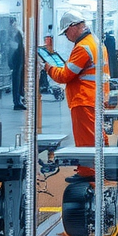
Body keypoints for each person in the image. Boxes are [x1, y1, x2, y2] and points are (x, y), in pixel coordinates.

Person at [43, 10, 110, 180]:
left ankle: (88, 174)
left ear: (74, 27)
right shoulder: (96, 42)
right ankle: (103, 168)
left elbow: (65, 76)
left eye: (66, 31)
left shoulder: (82, 47)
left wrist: (48, 68)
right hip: (96, 97)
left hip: (84, 99)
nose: (66, 36)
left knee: (86, 140)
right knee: (98, 136)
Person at [7, 17, 25, 109]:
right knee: (16, 81)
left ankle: (20, 99)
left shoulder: (17, 32)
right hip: (16, 60)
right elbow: (13, 47)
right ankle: (17, 102)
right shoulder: (12, 33)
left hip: (20, 59)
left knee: (20, 81)